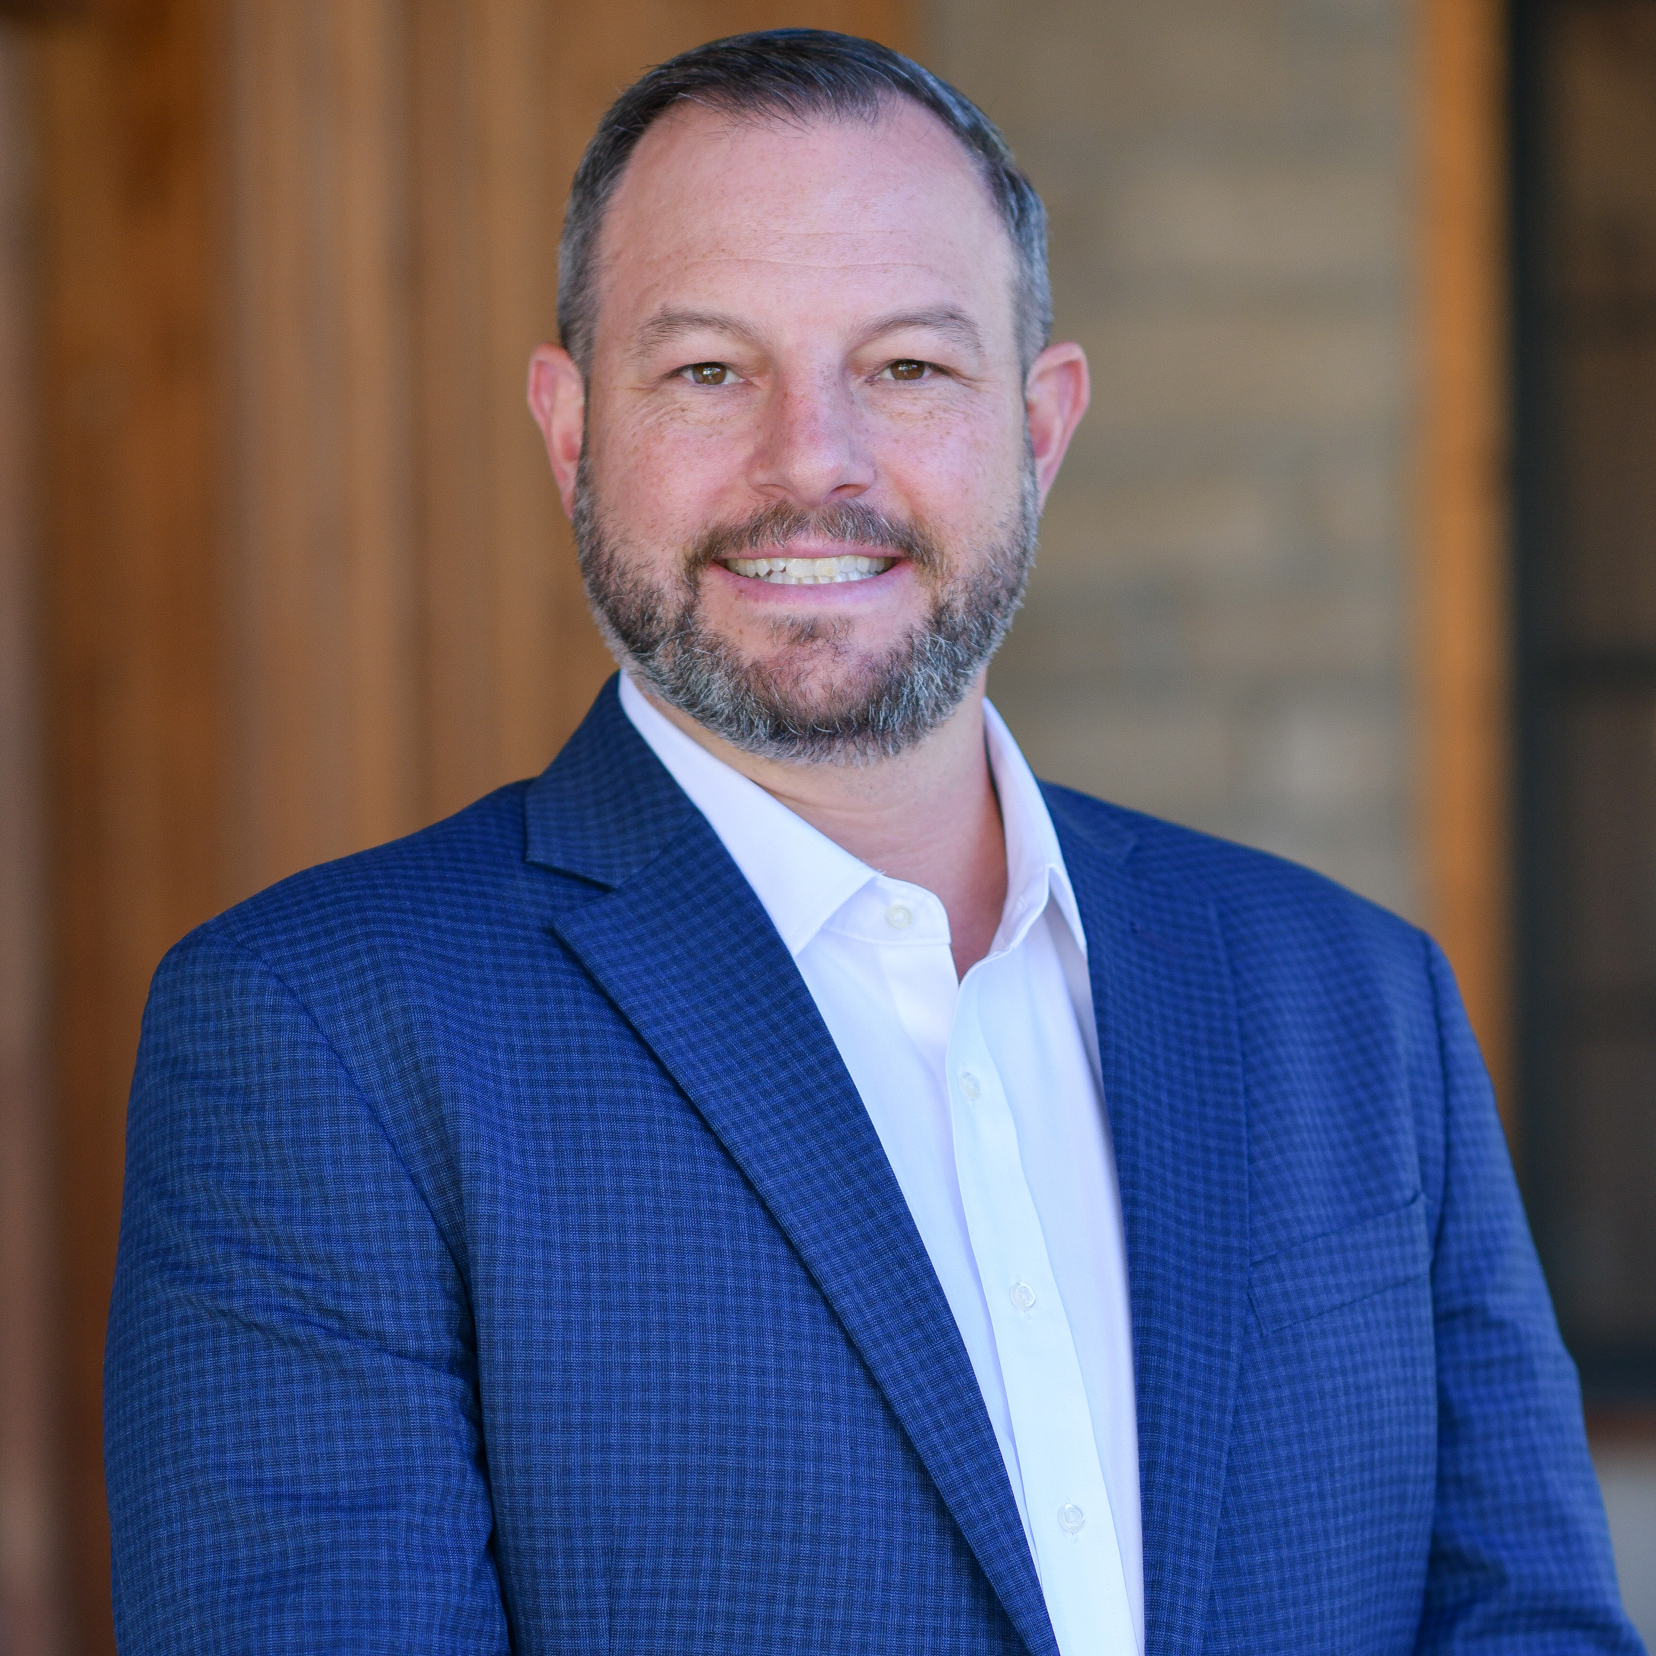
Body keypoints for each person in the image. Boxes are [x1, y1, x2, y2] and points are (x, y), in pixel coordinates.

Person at [104, 29, 1640, 1656]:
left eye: (908, 368)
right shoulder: (317, 1038)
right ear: (570, 432)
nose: (812, 462)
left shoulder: (1357, 999)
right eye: (708, 371)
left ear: (1040, 427)